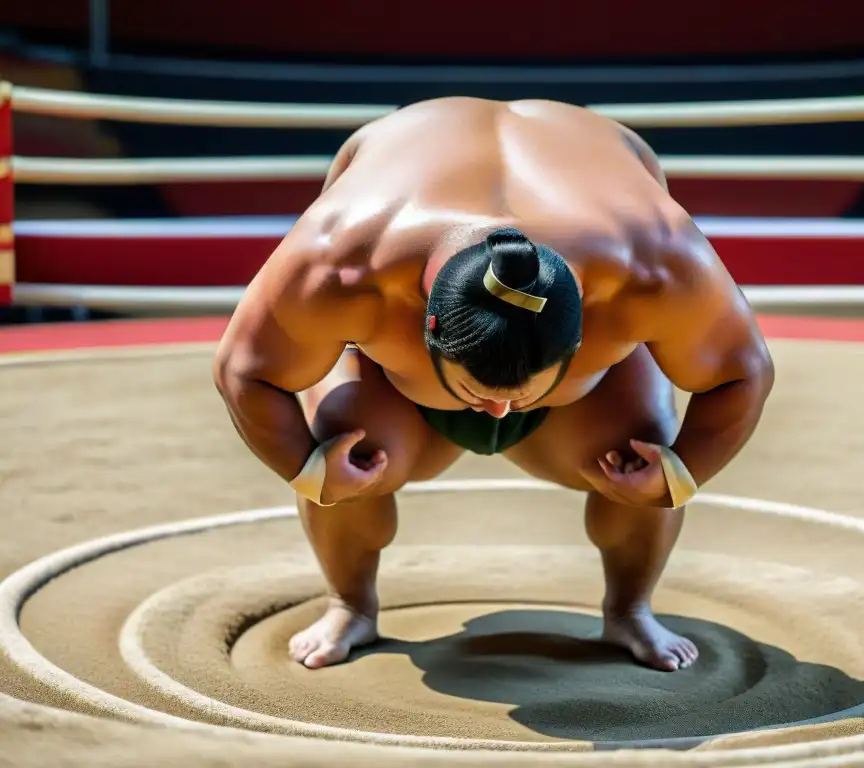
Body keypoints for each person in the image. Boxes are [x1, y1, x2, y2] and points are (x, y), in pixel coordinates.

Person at [213, 97, 774, 673]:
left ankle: (630, 607)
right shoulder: (343, 262)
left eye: (522, 391)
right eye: (480, 391)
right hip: (396, 380)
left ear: (586, 331)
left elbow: (744, 372)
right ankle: (350, 601)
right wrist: (307, 470)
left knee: (649, 447)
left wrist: (681, 476)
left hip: (589, 392)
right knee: (339, 449)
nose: (500, 410)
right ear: (424, 324)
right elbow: (243, 369)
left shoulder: (653, 263)